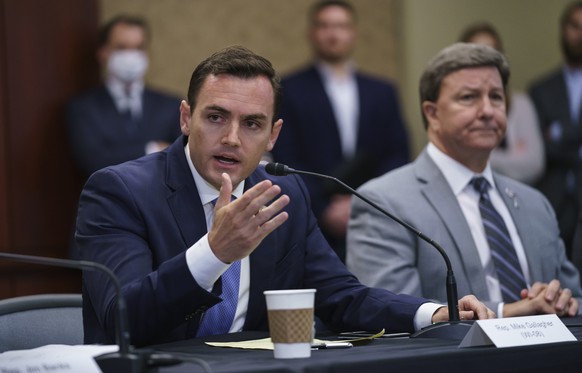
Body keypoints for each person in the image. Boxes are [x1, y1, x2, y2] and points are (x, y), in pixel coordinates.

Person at [75, 45, 493, 347]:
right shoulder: (120, 191)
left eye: (252, 124)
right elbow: (122, 320)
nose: (232, 138)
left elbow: (340, 295)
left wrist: (435, 313)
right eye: (216, 117)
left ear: (273, 135)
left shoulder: (282, 191)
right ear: (186, 118)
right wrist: (215, 252)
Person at [346, 42, 582, 319]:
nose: (487, 110)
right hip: (450, 362)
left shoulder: (534, 202)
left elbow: (574, 295)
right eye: (469, 97)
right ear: (432, 114)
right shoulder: (383, 201)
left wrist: (564, 301)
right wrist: (509, 312)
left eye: (496, 97)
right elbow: (390, 312)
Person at [270, 0, 410, 262]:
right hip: (314, 219)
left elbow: (397, 154)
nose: (333, 34)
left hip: (377, 216)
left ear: (353, 32)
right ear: (311, 33)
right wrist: (324, 209)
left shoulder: (382, 92)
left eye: (341, 26)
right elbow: (285, 155)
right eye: (325, 26)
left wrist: (363, 203)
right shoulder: (289, 89)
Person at [66, 14, 181, 179]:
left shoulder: (171, 106)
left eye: (138, 47)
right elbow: (93, 162)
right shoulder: (82, 108)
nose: (131, 56)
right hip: (107, 201)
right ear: (103, 52)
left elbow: (182, 159)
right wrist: (153, 149)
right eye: (121, 47)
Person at [459, 22, 545, 185]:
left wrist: (481, 157)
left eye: (493, 53)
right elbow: (456, 161)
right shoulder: (456, 108)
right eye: (476, 54)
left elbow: (534, 164)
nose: (485, 62)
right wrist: (513, 158)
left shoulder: (521, 104)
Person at [528, 1, 582, 258]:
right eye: (575, 26)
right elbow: (537, 147)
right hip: (552, 199)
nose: (579, 34)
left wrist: (561, 133)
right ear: (563, 29)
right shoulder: (541, 89)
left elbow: (553, 143)